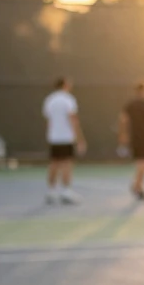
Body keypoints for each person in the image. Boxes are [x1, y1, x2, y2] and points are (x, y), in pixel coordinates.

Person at [42, 76, 86, 205]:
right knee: (67, 163)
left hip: (54, 138)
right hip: (66, 137)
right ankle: (66, 192)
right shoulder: (68, 100)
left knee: (54, 163)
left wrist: (51, 134)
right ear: (65, 85)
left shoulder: (49, 100)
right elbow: (73, 119)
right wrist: (80, 139)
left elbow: (49, 121)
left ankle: (51, 191)